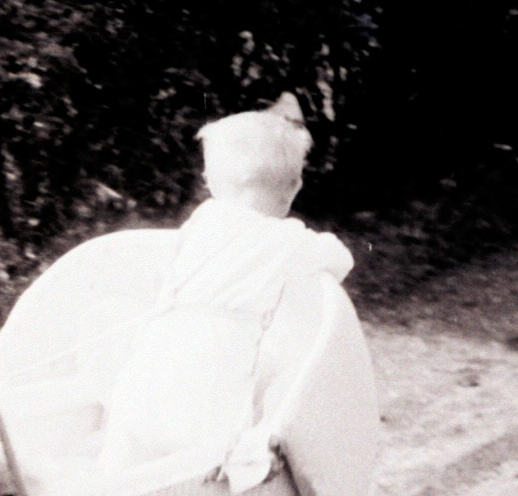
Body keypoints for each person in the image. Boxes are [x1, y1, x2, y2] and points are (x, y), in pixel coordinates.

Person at [96, 93, 354, 472]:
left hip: (155, 355)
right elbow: (339, 259)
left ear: (213, 183)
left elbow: (164, 269)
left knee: (127, 449)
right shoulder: (287, 239)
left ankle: (105, 493)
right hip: (214, 367)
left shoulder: (202, 220)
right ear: (294, 186)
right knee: (201, 457)